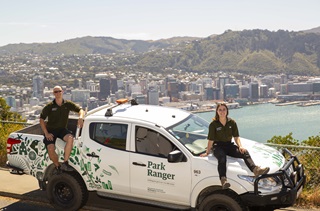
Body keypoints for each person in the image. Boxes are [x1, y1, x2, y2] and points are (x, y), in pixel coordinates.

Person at [200, 103, 269, 189]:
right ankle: (223, 180)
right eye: (220, 110)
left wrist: (240, 146)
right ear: (217, 112)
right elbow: (211, 140)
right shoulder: (213, 124)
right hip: (218, 146)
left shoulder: (232, 122)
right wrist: (207, 152)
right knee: (222, 158)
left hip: (229, 145)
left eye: (224, 109)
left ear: (227, 111)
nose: (222, 112)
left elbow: (236, 137)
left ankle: (256, 170)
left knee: (244, 152)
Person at [40, 86, 84, 172]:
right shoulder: (49, 106)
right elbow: (41, 119)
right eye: (55, 92)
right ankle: (57, 166)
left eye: (59, 91)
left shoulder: (67, 104)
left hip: (62, 129)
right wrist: (46, 133)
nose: (58, 93)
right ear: (53, 93)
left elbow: (80, 110)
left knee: (70, 138)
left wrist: (81, 117)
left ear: (62, 92)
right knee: (50, 149)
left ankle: (65, 162)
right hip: (51, 130)